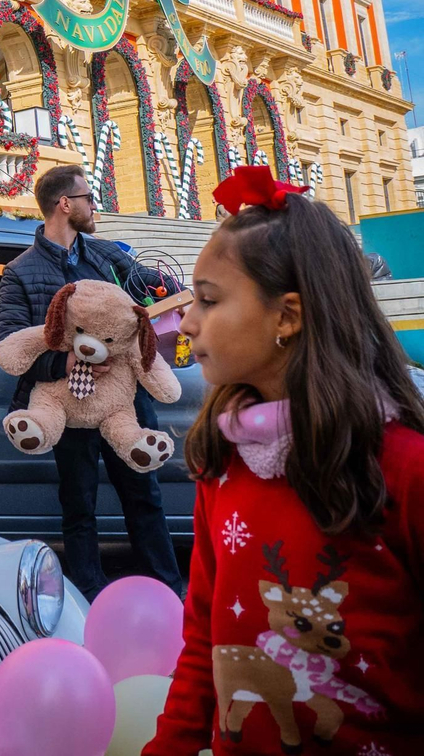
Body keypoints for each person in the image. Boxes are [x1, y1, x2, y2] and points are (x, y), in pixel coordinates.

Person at [144, 166, 424, 754]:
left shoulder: (405, 467)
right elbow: (202, 642)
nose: (187, 321)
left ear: (287, 316)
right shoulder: (223, 464)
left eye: (209, 300)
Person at [0, 165, 184, 598]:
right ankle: (90, 596)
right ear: (65, 204)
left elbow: (158, 287)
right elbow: (11, 345)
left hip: (126, 403)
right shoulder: (20, 273)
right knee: (78, 505)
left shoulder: (105, 255)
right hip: (70, 407)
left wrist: (167, 298)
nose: (93, 205)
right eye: (88, 198)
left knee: (145, 496)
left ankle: (167, 593)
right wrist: (63, 366)